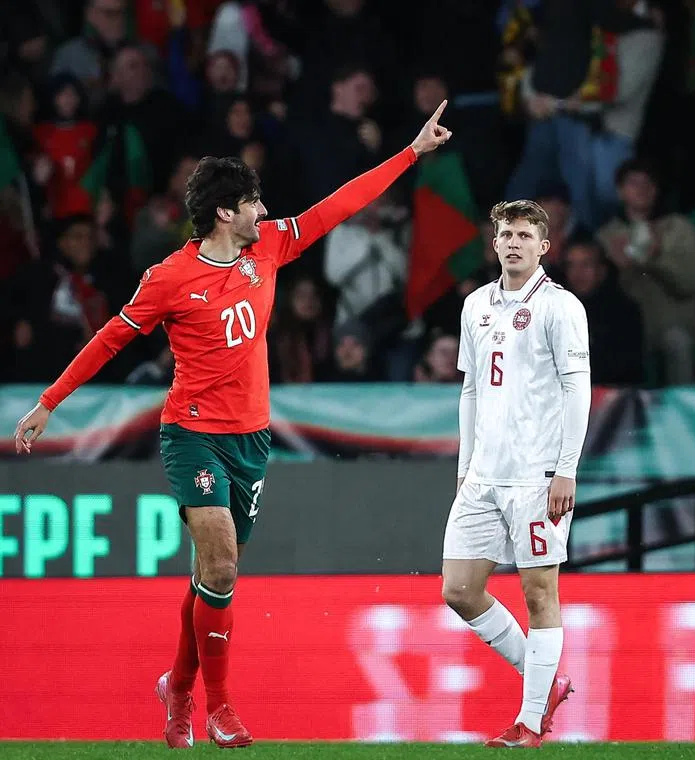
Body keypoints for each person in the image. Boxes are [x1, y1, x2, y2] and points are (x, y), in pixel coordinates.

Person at [12, 102, 453, 749]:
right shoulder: (169, 278)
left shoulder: (270, 248)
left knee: (213, 580)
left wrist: (411, 152)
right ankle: (220, 707)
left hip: (252, 438)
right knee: (218, 566)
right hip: (190, 433)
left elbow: (339, 206)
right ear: (226, 212)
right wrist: (50, 400)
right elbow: (110, 338)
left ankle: (178, 690)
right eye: (253, 202)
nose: (264, 211)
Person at [441, 200, 591, 748]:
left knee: (538, 591)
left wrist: (565, 472)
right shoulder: (475, 305)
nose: (512, 243)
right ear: (494, 241)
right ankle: (546, 682)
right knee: (459, 589)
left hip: (537, 476)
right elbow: (472, 389)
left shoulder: (561, 306)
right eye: (505, 234)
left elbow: (579, 390)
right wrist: (464, 466)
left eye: (524, 235)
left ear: (543, 246)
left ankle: (530, 722)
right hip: (483, 476)